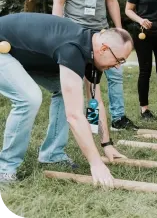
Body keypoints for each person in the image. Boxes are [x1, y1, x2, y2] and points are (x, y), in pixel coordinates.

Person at [0, 13, 132, 185]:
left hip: (24, 55)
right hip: (4, 49)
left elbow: (94, 103)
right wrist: (96, 163)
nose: (117, 66)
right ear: (104, 49)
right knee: (29, 98)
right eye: (119, 60)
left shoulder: (94, 54)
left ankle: (52, 155)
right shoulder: (72, 49)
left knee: (67, 92)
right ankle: (5, 169)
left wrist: (106, 144)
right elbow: (74, 116)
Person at [53, 0, 138, 131]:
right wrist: (57, 34)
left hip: (101, 30)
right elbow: (59, 3)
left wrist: (119, 30)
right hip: (77, 32)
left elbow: (111, 0)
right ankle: (88, 123)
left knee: (115, 72)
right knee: (86, 81)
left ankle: (117, 117)